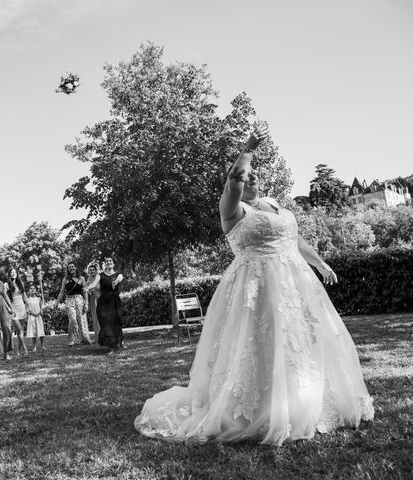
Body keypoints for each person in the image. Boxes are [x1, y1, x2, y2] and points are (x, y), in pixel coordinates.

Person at [134, 125, 374, 446]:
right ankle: (258, 410)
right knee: (259, 345)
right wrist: (248, 148)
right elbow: (235, 181)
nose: (252, 176)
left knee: (299, 343)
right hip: (255, 287)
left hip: (293, 285)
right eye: (248, 173)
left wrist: (319, 262)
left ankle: (302, 401)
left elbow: (294, 238)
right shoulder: (232, 208)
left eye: (254, 172)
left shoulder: (274, 203)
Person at [55, 261, 91, 347]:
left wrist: (86, 303)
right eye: (69, 267)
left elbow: (85, 291)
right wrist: (56, 302)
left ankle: (84, 339)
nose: (71, 268)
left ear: (75, 268)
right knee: (72, 320)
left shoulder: (82, 278)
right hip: (69, 300)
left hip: (79, 300)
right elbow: (61, 292)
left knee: (81, 320)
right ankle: (72, 340)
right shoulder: (65, 279)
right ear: (68, 269)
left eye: (73, 266)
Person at [96, 257, 124, 353]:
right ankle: (112, 345)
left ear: (113, 263)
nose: (108, 262)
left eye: (110, 261)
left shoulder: (118, 274)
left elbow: (120, 278)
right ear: (105, 264)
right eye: (107, 261)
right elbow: (95, 282)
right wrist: (88, 287)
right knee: (106, 322)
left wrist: (115, 282)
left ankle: (117, 343)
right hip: (103, 302)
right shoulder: (100, 275)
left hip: (114, 301)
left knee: (116, 321)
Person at [5, 267, 29, 356]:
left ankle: (19, 350)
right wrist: (8, 308)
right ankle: (25, 348)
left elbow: (24, 295)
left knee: (21, 331)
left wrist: (28, 305)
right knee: (19, 329)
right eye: (11, 272)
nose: (13, 273)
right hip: (13, 308)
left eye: (15, 272)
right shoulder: (6, 284)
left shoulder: (20, 283)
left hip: (21, 307)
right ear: (9, 274)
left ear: (17, 273)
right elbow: (5, 297)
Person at [25, 285, 46, 351]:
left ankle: (42, 345)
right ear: (29, 290)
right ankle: (34, 346)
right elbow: (27, 310)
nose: (32, 290)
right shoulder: (28, 300)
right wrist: (33, 314)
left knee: (41, 331)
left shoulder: (39, 299)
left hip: (38, 316)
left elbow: (41, 307)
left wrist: (40, 312)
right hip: (32, 317)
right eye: (31, 288)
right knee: (33, 332)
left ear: (36, 290)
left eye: (34, 288)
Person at [85, 262, 101, 341]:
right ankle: (97, 337)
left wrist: (88, 288)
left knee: (101, 317)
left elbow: (95, 285)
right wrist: (88, 291)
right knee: (95, 318)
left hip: (100, 299)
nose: (91, 271)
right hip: (93, 300)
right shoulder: (88, 279)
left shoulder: (99, 277)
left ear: (96, 270)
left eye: (93, 270)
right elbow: (87, 291)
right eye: (90, 270)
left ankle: (104, 335)